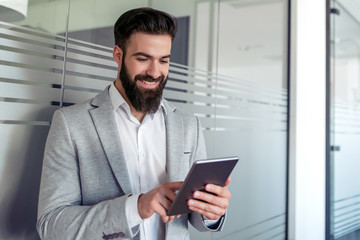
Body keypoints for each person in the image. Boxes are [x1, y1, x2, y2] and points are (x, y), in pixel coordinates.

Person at [37, 7, 232, 240]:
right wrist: (135, 207)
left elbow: (193, 219)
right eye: (143, 59)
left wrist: (211, 212)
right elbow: (51, 225)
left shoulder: (188, 124)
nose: (154, 72)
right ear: (118, 55)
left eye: (163, 60)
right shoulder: (71, 124)